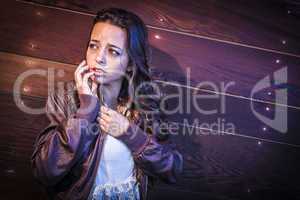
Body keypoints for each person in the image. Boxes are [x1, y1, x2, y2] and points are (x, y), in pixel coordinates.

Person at [31, 7, 183, 200]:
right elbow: (44, 172)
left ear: (130, 62)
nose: (99, 58)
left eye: (113, 51)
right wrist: (85, 112)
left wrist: (131, 135)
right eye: (94, 46)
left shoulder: (146, 103)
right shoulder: (64, 99)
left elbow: (171, 169)